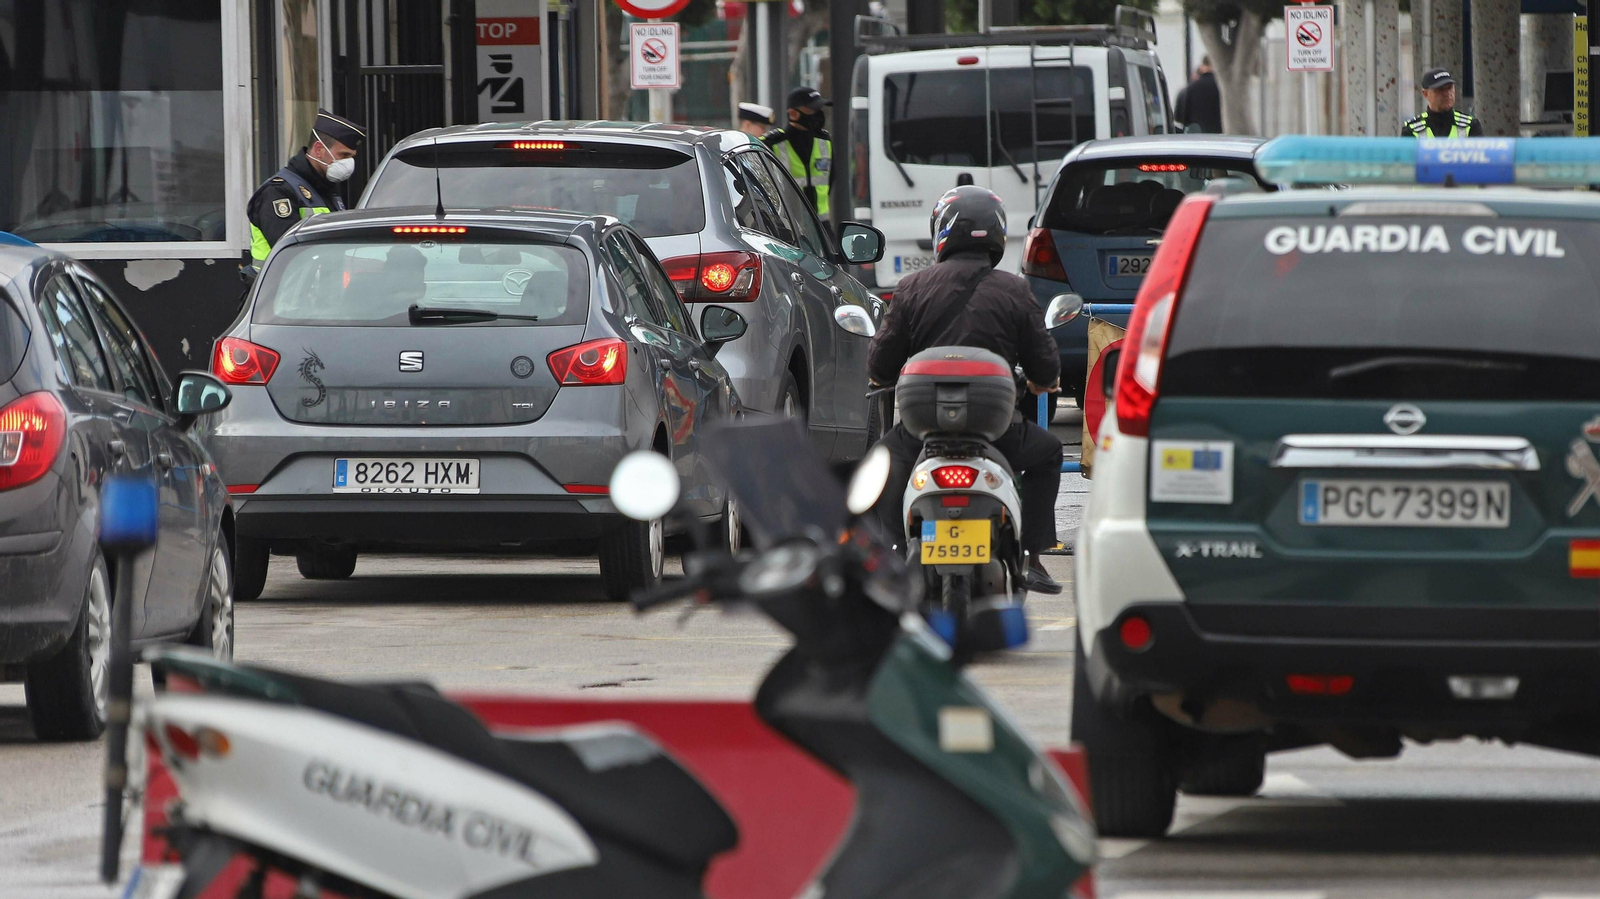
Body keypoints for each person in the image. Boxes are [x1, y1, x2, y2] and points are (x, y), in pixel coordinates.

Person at [867, 186, 1064, 595]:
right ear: (997, 232)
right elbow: (1046, 367)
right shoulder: (1015, 289)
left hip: (922, 429)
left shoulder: (911, 287)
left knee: (882, 462)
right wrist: (1040, 382)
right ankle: (1033, 558)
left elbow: (880, 366)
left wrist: (883, 378)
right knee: (1049, 453)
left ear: (943, 230)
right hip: (997, 428)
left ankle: (893, 553)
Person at [246, 108, 366, 276]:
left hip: (315, 296)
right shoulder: (279, 191)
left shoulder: (325, 189)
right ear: (319, 149)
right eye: (343, 155)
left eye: (351, 156)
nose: (348, 163)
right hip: (280, 296)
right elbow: (292, 252)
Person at [762, 87, 833, 216]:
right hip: (788, 227)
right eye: (812, 110)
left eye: (819, 109)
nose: (818, 114)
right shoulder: (772, 144)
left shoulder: (825, 141)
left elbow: (831, 180)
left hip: (822, 226)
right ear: (793, 113)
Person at [1401, 69, 1483, 137]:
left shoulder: (1470, 125)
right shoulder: (1411, 129)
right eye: (1440, 89)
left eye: (1450, 88)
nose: (1447, 93)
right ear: (1425, 94)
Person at [1174, 57, 1223, 134]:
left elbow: (1180, 116)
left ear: (1202, 66)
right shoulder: (1222, 88)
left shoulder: (1190, 88)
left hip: (1196, 135)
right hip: (1220, 135)